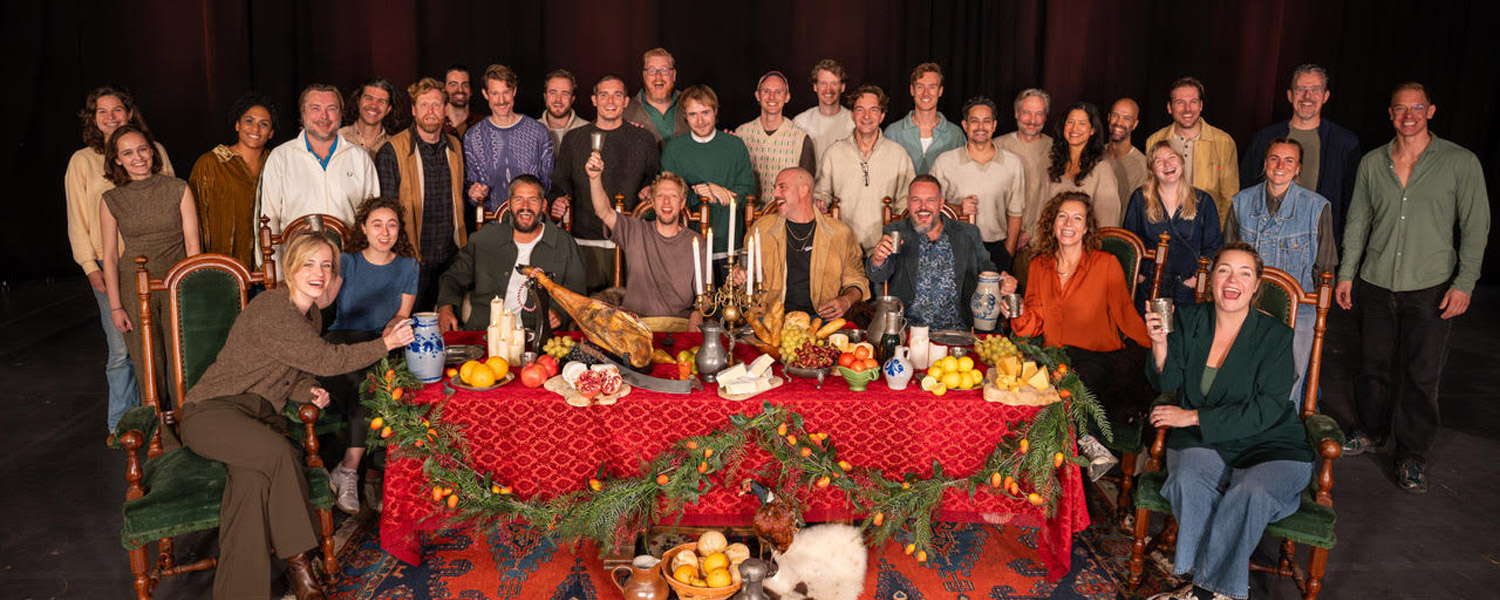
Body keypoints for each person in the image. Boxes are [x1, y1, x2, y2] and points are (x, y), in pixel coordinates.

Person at [180, 231, 414, 600]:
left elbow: (291, 366)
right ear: (290, 267)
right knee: (279, 453)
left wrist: (307, 389)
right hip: (213, 411)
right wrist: (386, 343)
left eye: (326, 265)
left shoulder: (311, 316)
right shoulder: (272, 306)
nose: (318, 272)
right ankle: (301, 567)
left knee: (251, 486)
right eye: (309, 263)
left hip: (258, 417)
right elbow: (326, 359)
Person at [1337, 82, 1490, 493]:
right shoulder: (1372, 163)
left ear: (1431, 111)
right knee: (1372, 365)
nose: (1408, 115)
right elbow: (1357, 222)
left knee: (1421, 375)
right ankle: (1370, 430)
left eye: (1416, 108)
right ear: (1391, 114)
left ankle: (1411, 456)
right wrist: (1347, 273)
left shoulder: (1460, 162)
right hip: (1375, 279)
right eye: (1401, 109)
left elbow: (1476, 228)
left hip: (1430, 284)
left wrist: (1464, 284)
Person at [1142, 242, 1313, 600]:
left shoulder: (1276, 338)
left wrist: (1191, 416)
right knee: (1189, 480)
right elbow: (1167, 382)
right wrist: (1159, 344)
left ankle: (1204, 592)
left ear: (1255, 286)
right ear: (1212, 279)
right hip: (1205, 440)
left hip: (1270, 442)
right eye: (1223, 270)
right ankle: (1215, 589)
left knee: (1251, 491)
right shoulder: (1188, 321)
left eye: (1244, 273)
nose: (1232, 280)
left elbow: (1265, 410)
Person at [65, 86, 175, 436]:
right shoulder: (82, 161)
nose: (111, 117)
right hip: (112, 263)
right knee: (121, 349)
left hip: (161, 260)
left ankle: (161, 419)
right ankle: (121, 427)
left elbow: (172, 196)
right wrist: (89, 265)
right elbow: (77, 217)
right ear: (93, 119)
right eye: (102, 111)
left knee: (163, 345)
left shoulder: (153, 151)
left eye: (117, 110)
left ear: (130, 114)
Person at [1001, 192, 1152, 424]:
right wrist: (1017, 309)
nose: (1069, 224)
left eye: (1077, 218)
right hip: (1055, 359)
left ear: (1086, 228)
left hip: (1098, 360)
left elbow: (1126, 316)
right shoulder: (1039, 265)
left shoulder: (1106, 264)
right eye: (1062, 217)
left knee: (1073, 388)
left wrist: (1157, 349)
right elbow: (1032, 325)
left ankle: (1082, 446)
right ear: (1053, 224)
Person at [321, 197, 418, 514]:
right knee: (367, 390)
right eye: (377, 224)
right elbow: (323, 301)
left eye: (392, 224)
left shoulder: (407, 266)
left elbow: (402, 314)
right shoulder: (347, 262)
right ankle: (357, 473)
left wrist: (391, 332)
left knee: (388, 390)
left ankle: (366, 474)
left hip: (382, 342)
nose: (385, 231)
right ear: (363, 227)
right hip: (343, 343)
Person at [1225, 139, 1336, 408]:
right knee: (1244, 372)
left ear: (1298, 169)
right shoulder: (1241, 202)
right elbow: (1227, 256)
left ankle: (1283, 436)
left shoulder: (1317, 207)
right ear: (1265, 164)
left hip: (1301, 311)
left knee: (1292, 376)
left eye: (1289, 161)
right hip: (1247, 307)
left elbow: (1326, 267)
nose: (1280, 166)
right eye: (1274, 158)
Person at [100, 126, 202, 412]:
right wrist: (116, 307)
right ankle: (161, 436)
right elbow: (109, 257)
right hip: (134, 290)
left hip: (176, 284)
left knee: (183, 361)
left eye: (143, 149)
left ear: (152, 151)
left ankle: (191, 428)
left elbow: (193, 244)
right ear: (117, 160)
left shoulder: (178, 188)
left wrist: (191, 291)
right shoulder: (111, 200)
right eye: (128, 153)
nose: (138, 157)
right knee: (148, 365)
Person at [548, 75, 662, 293]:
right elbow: (560, 184)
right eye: (604, 95)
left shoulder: (644, 139)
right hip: (586, 242)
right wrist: (558, 200)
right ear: (594, 100)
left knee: (628, 311)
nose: (611, 101)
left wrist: (650, 188)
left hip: (631, 242)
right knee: (588, 310)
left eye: (617, 95)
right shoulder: (574, 139)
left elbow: (654, 178)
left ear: (626, 101)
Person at [436, 175, 585, 331]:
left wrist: (559, 313)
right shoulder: (485, 239)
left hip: (538, 337)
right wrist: (445, 307)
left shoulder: (563, 243)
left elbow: (577, 293)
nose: (525, 206)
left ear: (543, 205)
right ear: (509, 204)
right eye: (518, 199)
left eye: (532, 200)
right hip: (485, 332)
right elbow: (453, 277)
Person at [257, 83, 380, 266]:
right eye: (315, 108)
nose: (324, 116)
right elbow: (268, 219)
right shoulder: (281, 158)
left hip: (350, 266)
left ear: (340, 113)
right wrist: (276, 274)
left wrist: (368, 268)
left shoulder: (360, 159)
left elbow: (373, 219)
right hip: (296, 269)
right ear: (303, 113)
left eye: (331, 109)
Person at [374, 77, 467, 311]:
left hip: (450, 256)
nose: (430, 111)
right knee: (411, 327)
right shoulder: (392, 151)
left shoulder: (455, 145)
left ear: (446, 110)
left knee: (449, 327)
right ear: (414, 110)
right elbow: (388, 212)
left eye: (436, 105)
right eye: (424, 105)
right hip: (412, 258)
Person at [1241, 64, 1361, 239]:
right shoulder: (1263, 139)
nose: (1307, 96)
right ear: (1290, 95)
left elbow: (1351, 205)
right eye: (1301, 89)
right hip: (1265, 241)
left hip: (1317, 244)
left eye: (1315, 90)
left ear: (1326, 96)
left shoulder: (1344, 143)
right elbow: (1246, 192)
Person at [586, 156, 703, 325]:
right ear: (653, 202)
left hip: (679, 324)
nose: (667, 202)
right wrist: (594, 178)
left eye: (673, 196)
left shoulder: (696, 242)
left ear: (683, 202)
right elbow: (603, 212)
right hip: (637, 324)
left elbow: (706, 294)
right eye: (661, 196)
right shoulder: (635, 230)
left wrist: (698, 312)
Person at [867, 175, 994, 330]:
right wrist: (878, 260)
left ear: (941, 203)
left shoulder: (967, 233)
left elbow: (989, 271)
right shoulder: (896, 232)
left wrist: (1003, 281)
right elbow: (878, 276)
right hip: (908, 329)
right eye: (916, 200)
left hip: (958, 330)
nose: (923, 207)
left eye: (930, 200)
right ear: (908, 203)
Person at [744, 167, 869, 319]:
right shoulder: (761, 229)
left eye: (782, 187)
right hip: (770, 320)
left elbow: (857, 280)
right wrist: (739, 277)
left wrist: (846, 301)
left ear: (803, 191)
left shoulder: (840, 233)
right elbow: (743, 274)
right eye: (775, 188)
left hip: (823, 320)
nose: (775, 194)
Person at [660, 84, 755, 277]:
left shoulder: (734, 145)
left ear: (715, 112)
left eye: (705, 112)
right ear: (685, 116)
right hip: (687, 246)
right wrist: (701, 192)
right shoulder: (674, 149)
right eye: (693, 114)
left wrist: (716, 192)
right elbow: (668, 196)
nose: (700, 120)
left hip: (729, 245)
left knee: (729, 305)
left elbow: (747, 192)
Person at [929, 95, 1026, 272]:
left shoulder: (1013, 163)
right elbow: (929, 206)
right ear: (965, 126)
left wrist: (1008, 252)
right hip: (953, 247)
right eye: (974, 121)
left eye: (986, 121)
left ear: (994, 125)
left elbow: (1015, 212)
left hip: (995, 249)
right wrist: (958, 209)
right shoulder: (945, 162)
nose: (981, 127)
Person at [814, 85, 916, 251]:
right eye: (860, 109)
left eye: (874, 110)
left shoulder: (898, 154)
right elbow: (821, 194)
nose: (867, 116)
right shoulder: (834, 153)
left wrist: (894, 240)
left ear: (882, 116)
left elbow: (907, 202)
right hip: (842, 247)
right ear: (852, 115)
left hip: (885, 249)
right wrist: (820, 203)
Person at [1123, 141, 1224, 306]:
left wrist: (1194, 280)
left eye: (1172, 157)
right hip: (1149, 286)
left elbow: (1215, 247)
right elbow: (1129, 243)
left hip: (1188, 289)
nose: (1167, 164)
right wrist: (1140, 277)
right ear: (1152, 170)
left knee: (1185, 331)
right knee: (1148, 331)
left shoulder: (1203, 201)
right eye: (1159, 161)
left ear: (1182, 164)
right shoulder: (1140, 199)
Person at [191, 93, 276, 269]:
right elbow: (195, 221)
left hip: (269, 267)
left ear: (271, 133)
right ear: (237, 125)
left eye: (264, 124)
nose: (256, 129)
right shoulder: (211, 163)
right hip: (225, 270)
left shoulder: (277, 163)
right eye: (249, 121)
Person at [1145, 77, 1239, 229]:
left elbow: (1230, 198)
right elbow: (1150, 189)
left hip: (1206, 230)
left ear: (1201, 106)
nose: (1187, 109)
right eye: (1180, 102)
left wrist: (1216, 234)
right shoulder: (1154, 141)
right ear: (1169, 107)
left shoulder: (1223, 142)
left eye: (1193, 102)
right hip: (1165, 230)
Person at [463, 64, 554, 213]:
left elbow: (549, 183)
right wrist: (474, 193)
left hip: (532, 224)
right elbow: (470, 185)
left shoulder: (539, 132)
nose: (501, 100)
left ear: (514, 92)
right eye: (494, 93)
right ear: (485, 94)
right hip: (492, 225)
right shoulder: (472, 136)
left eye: (506, 92)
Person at [734, 70, 816, 204]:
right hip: (748, 215)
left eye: (778, 92)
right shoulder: (741, 134)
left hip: (785, 217)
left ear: (787, 97)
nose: (772, 97)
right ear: (757, 95)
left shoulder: (800, 139)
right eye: (766, 91)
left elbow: (806, 189)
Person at [1044, 102, 1122, 227]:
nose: (1074, 128)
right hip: (1052, 242)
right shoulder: (1055, 163)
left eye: (1082, 123)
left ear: (1092, 130)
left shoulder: (1102, 169)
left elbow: (1108, 222)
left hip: (1086, 244)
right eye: (1070, 122)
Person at [996, 88, 1053, 248]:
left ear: (1045, 117)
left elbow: (1053, 197)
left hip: (1038, 242)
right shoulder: (997, 146)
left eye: (1039, 114)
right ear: (1016, 113)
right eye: (1027, 112)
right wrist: (1011, 233)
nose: (1032, 120)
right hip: (1000, 239)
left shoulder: (1054, 150)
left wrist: (1031, 232)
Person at [884, 62, 964, 174]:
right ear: (912, 90)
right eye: (920, 87)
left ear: (940, 91)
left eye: (932, 87)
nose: (926, 94)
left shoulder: (955, 135)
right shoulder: (893, 133)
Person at [792, 59, 855, 161]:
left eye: (834, 83)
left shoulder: (854, 123)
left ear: (842, 87)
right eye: (823, 83)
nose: (828, 89)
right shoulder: (800, 123)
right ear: (815, 86)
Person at [623, 47, 689, 143]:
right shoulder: (625, 112)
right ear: (644, 76)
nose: (658, 76)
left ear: (674, 75)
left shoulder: (691, 104)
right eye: (652, 70)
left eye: (664, 70)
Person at [1105, 97, 1150, 204]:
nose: (1119, 122)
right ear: (1109, 117)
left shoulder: (1143, 167)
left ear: (1135, 124)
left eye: (1127, 118)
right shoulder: (1094, 155)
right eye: (1115, 115)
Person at [339, 77, 397, 155]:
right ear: (358, 101)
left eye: (381, 102)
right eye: (369, 98)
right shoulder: (338, 137)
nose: (374, 106)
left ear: (388, 109)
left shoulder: (395, 145)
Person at [537, 68, 588, 153]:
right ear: (545, 97)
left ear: (572, 99)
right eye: (553, 92)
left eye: (565, 93)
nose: (558, 99)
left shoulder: (588, 131)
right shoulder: (530, 131)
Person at [442, 64, 481, 139]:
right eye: (453, 84)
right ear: (444, 89)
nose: (460, 90)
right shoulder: (437, 126)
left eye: (465, 84)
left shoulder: (483, 124)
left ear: (471, 91)